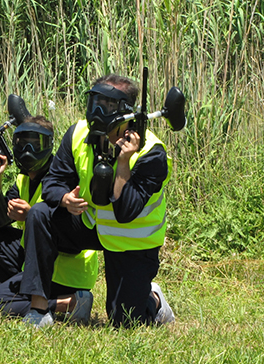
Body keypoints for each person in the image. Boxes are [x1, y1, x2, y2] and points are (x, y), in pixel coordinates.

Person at [19, 74, 176, 328]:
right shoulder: (78, 133)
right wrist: (65, 198)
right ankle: (38, 311)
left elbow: (126, 212)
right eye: (95, 103)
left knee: (125, 321)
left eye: (108, 105)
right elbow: (52, 183)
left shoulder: (152, 153)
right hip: (90, 224)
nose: (98, 111)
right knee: (39, 213)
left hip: (131, 240)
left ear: (126, 112)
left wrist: (123, 162)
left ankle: (154, 299)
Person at [0, 115, 98, 323]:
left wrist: (32, 216)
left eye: (36, 143)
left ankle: (68, 302)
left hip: (66, 272)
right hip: (39, 265)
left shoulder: (61, 179)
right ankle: (21, 295)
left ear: (48, 145)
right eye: (22, 143)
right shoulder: (23, 179)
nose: (28, 149)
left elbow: (67, 235)